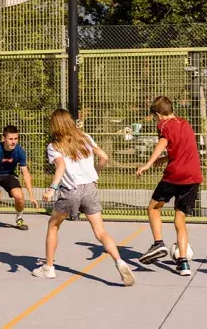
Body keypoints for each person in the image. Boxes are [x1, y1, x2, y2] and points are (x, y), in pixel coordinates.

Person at [31, 109, 136, 286]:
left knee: (53, 226)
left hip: (70, 191)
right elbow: (104, 157)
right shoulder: (85, 137)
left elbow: (61, 167)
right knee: (100, 232)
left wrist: (51, 189)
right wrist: (95, 174)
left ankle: (49, 268)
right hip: (90, 189)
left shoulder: (54, 146)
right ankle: (120, 261)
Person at [136, 96, 202, 276]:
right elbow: (182, 148)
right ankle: (183, 263)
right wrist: (164, 159)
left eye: (155, 117)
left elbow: (162, 143)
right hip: (193, 176)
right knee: (180, 219)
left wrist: (148, 164)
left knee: (153, 208)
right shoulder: (185, 123)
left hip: (175, 175)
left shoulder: (164, 126)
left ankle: (158, 243)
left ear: (158, 114)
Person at [0, 125, 39, 231]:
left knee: (19, 197)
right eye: (10, 139)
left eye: (15, 139)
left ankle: (19, 218)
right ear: (3, 138)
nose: (13, 142)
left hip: (9, 175)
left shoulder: (20, 152)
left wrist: (31, 195)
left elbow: (25, 173)